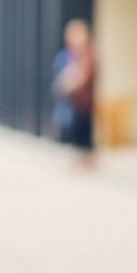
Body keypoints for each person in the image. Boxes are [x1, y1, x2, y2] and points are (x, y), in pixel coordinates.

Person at [52, 18, 97, 167]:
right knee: (77, 129)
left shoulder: (87, 54)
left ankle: (86, 158)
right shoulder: (68, 55)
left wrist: (72, 81)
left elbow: (85, 75)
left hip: (84, 101)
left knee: (84, 130)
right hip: (74, 101)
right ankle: (81, 157)